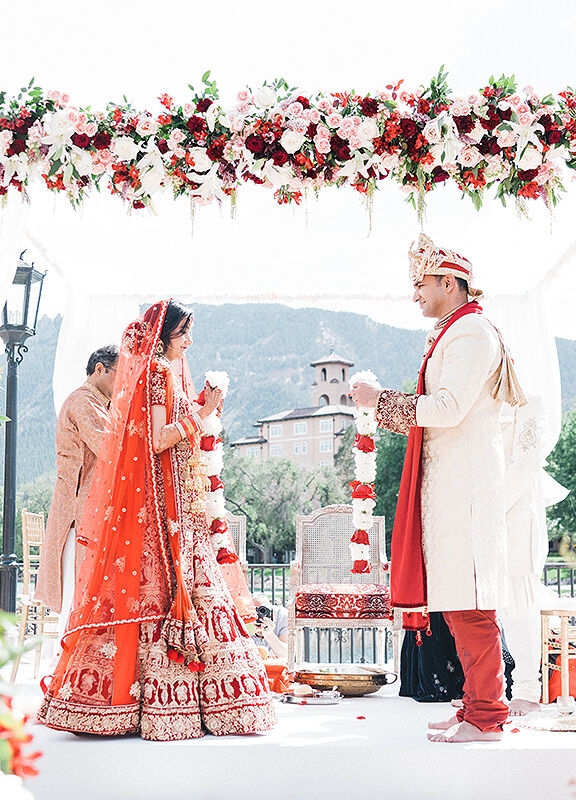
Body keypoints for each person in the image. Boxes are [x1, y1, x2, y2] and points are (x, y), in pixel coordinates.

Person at [38, 300, 276, 740]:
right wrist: (202, 414)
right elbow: (156, 440)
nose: (189, 340)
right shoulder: (157, 373)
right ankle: (174, 703)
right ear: (164, 334)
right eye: (183, 331)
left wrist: (199, 408)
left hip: (179, 501)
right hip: (165, 507)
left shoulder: (164, 372)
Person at [351, 233, 526, 743]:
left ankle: (488, 716)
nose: (415, 295)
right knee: (455, 600)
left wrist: (381, 400)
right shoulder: (457, 330)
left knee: (470, 603)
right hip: (453, 491)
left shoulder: (471, 333)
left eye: (421, 284)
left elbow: (447, 409)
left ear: (450, 283)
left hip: (465, 494)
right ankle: (474, 706)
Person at [36, 344, 119, 642]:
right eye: (118, 377)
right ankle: (68, 667)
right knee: (79, 593)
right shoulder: (85, 402)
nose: (121, 385)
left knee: (82, 593)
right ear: (100, 369)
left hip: (81, 510)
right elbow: (111, 450)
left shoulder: (96, 402)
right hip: (78, 513)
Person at [498, 395, 569, 714]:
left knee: (517, 600)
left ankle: (527, 688)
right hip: (479, 517)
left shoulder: (529, 405)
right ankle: (488, 688)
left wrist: (491, 508)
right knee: (484, 606)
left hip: (516, 516)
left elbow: (524, 464)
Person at [251, 593, 289, 662]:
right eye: (255, 610)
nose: (260, 615)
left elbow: (286, 655)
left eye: (263, 610)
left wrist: (269, 634)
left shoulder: (283, 616)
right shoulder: (245, 618)